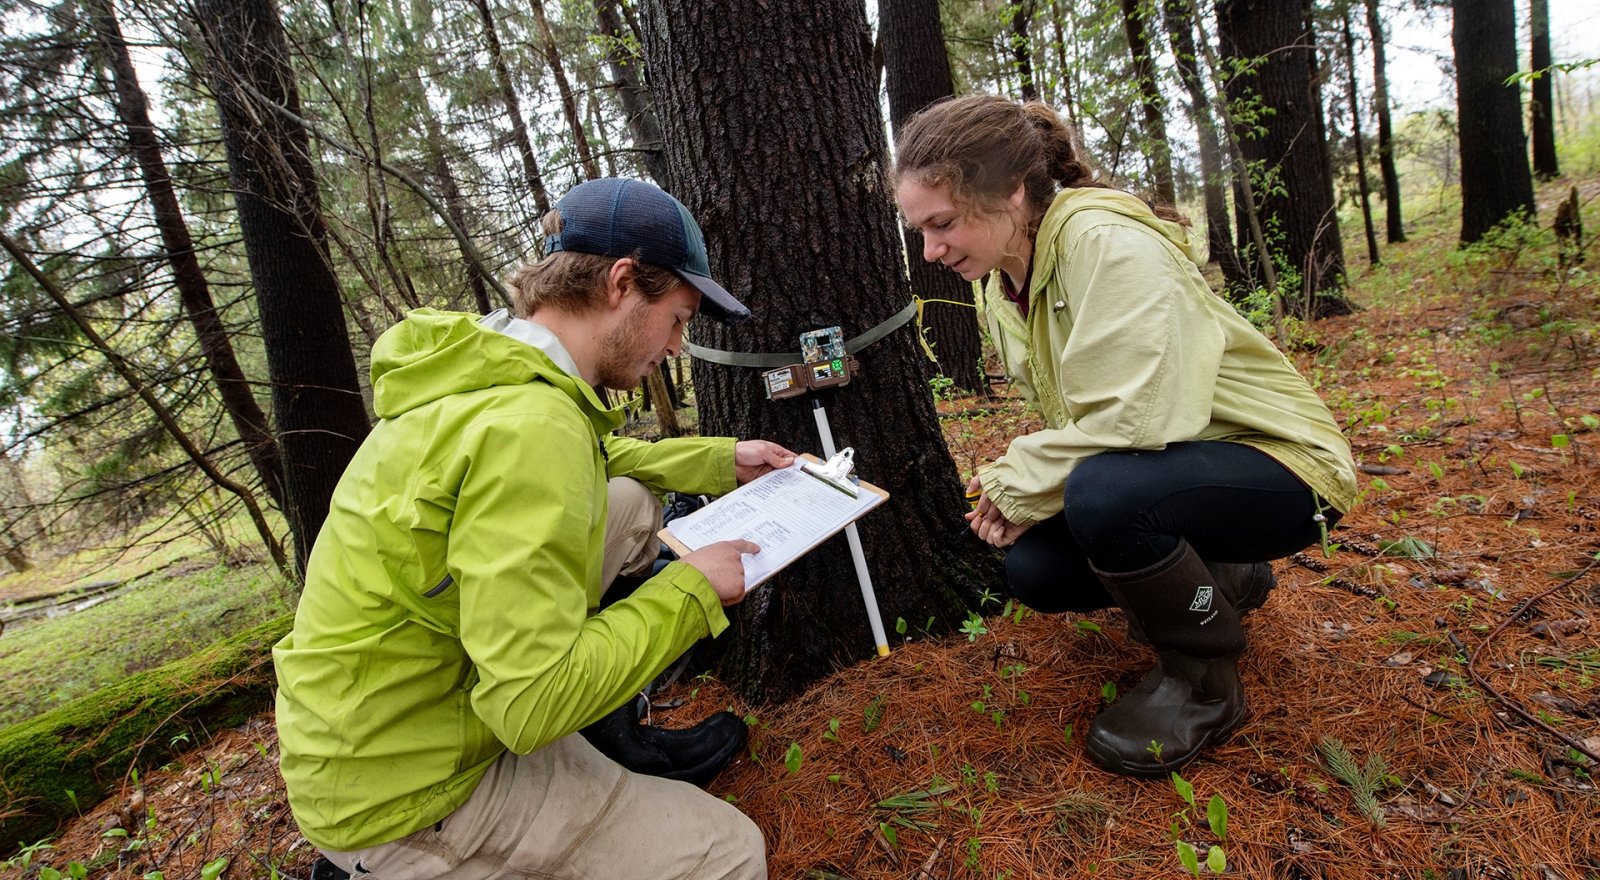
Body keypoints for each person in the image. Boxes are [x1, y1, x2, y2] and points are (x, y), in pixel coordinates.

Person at [274, 177, 791, 879]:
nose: (676, 346)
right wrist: (691, 592)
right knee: (727, 855)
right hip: (407, 788)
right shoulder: (531, 428)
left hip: (374, 719)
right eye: (676, 318)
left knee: (628, 503)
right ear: (619, 284)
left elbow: (603, 459)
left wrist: (719, 460)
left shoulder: (494, 371)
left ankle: (606, 740)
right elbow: (529, 702)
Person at [894, 96, 1358, 778]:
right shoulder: (1004, 284)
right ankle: (1220, 579)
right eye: (921, 231)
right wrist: (1039, 495)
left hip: (1285, 467)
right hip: (1181, 470)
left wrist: (1021, 481)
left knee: (1105, 495)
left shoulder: (1106, 243)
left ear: (1011, 193)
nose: (931, 251)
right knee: (1037, 569)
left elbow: (1137, 416)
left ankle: (1205, 683)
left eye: (943, 224)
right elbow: (1088, 422)